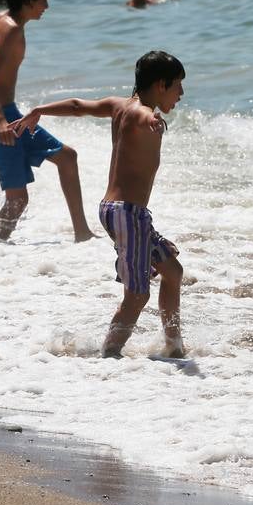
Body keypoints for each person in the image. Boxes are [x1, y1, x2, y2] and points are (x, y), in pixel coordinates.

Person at [13, 51, 188, 359]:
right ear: (161, 85)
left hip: (124, 212)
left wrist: (40, 109)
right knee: (137, 294)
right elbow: (143, 117)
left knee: (172, 271)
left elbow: (78, 106)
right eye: (178, 87)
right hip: (126, 213)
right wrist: (153, 119)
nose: (182, 94)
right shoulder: (141, 114)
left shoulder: (118, 106)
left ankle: (174, 348)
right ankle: (109, 356)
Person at [0, 0, 96, 242]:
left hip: (6, 112)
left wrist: (1, 107)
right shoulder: (12, 29)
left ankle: (82, 233)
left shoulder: (2, 19)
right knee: (17, 200)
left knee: (67, 157)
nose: (46, 6)